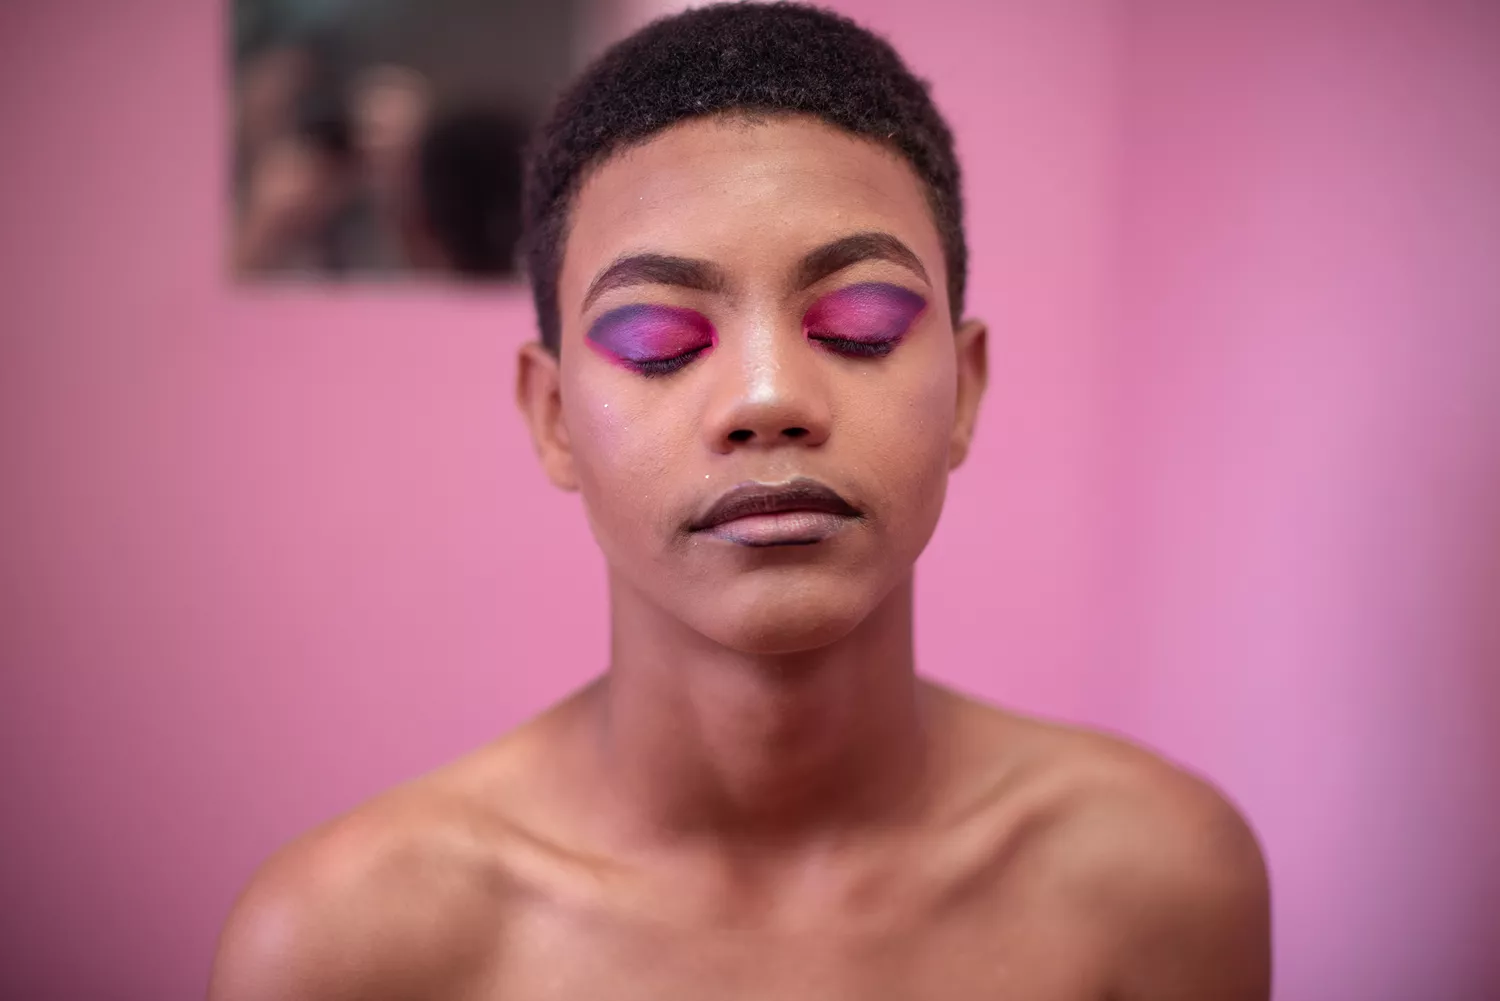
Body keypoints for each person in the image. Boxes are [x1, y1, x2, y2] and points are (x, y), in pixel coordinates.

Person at [209, 4, 1271, 999]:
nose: (768, 398)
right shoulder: (349, 945)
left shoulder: (1158, 880)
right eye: (657, 338)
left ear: (967, 388)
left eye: (857, 318)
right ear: (552, 416)